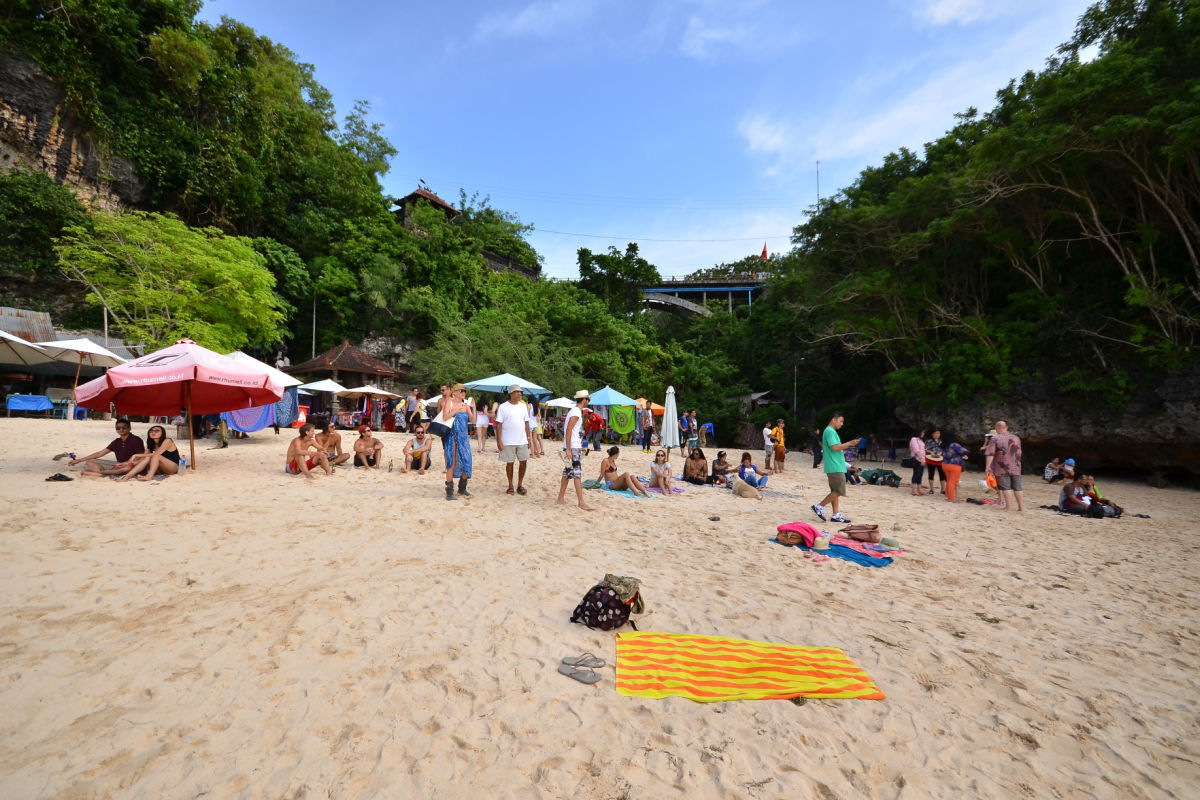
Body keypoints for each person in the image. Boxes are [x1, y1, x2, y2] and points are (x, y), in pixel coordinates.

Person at [812, 412, 855, 523]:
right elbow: (835, 447)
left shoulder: (830, 431)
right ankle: (819, 506)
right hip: (835, 466)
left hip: (834, 465)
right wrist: (850, 443)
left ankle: (835, 515)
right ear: (834, 420)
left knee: (835, 491)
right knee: (839, 491)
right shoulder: (830, 431)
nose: (842, 424)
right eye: (840, 421)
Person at [556, 390, 594, 510]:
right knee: (577, 474)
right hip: (571, 446)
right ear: (584, 400)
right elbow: (568, 430)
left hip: (573, 445)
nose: (588, 401)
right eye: (588, 399)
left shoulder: (574, 411)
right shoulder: (576, 412)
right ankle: (581, 502)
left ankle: (560, 498)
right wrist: (569, 449)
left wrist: (577, 446)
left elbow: (571, 431)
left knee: (567, 472)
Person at [69, 418, 145, 476]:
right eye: (118, 428)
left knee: (126, 468)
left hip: (131, 465)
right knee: (90, 461)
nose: (121, 429)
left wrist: (125, 464)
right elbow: (100, 453)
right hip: (118, 464)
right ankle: (100, 473)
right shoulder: (117, 441)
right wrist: (79, 460)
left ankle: (100, 473)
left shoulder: (136, 440)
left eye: (124, 427)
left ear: (129, 428)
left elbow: (140, 457)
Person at [494, 383, 532, 496]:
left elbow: (526, 423)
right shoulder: (503, 407)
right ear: (511, 393)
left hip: (522, 440)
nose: (520, 394)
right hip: (508, 440)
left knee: (523, 462)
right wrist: (498, 441)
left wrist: (529, 438)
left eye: (521, 392)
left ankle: (520, 485)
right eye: (517, 392)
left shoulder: (523, 406)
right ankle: (510, 485)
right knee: (509, 463)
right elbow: (499, 424)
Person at [442, 383, 476, 499]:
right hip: (451, 436)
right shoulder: (449, 402)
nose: (463, 393)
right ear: (455, 392)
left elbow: (473, 420)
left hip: (463, 437)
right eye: (461, 391)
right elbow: (445, 417)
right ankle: (449, 492)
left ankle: (462, 488)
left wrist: (473, 408)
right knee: (452, 463)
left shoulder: (465, 405)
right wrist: (456, 410)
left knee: (467, 461)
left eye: (465, 392)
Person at [114, 425, 181, 481]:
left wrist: (137, 454)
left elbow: (156, 454)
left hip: (174, 468)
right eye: (151, 431)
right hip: (161, 470)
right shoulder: (151, 445)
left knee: (156, 456)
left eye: (157, 431)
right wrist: (126, 463)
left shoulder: (167, 440)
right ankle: (127, 477)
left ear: (162, 433)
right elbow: (143, 458)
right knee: (147, 458)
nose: (153, 432)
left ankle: (149, 476)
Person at [984, 419, 1024, 512]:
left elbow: (990, 453)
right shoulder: (1016, 438)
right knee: (1018, 487)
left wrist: (988, 466)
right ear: (1006, 428)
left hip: (1002, 466)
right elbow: (1019, 452)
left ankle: (1009, 508)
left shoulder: (995, 438)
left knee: (1006, 487)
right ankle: (1021, 508)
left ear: (996, 428)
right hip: (1016, 466)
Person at [941, 438, 970, 502]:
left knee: (949, 481)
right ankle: (951, 498)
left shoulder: (943, 444)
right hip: (955, 465)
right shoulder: (954, 445)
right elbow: (966, 451)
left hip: (945, 465)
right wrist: (961, 454)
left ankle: (949, 497)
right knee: (953, 482)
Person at [924, 428, 946, 494]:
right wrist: (931, 452)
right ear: (932, 434)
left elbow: (944, 449)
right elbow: (925, 449)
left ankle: (942, 489)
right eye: (935, 433)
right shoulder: (929, 441)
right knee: (931, 473)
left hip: (940, 459)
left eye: (938, 433)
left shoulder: (942, 441)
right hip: (931, 458)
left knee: (942, 474)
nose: (937, 434)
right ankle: (931, 489)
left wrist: (940, 453)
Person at [908, 428, 928, 496]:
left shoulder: (920, 440)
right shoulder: (914, 439)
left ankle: (919, 489)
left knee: (920, 474)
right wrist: (921, 459)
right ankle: (914, 490)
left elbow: (921, 449)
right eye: (922, 432)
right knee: (916, 474)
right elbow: (916, 450)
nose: (923, 434)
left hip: (922, 459)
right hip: (917, 459)